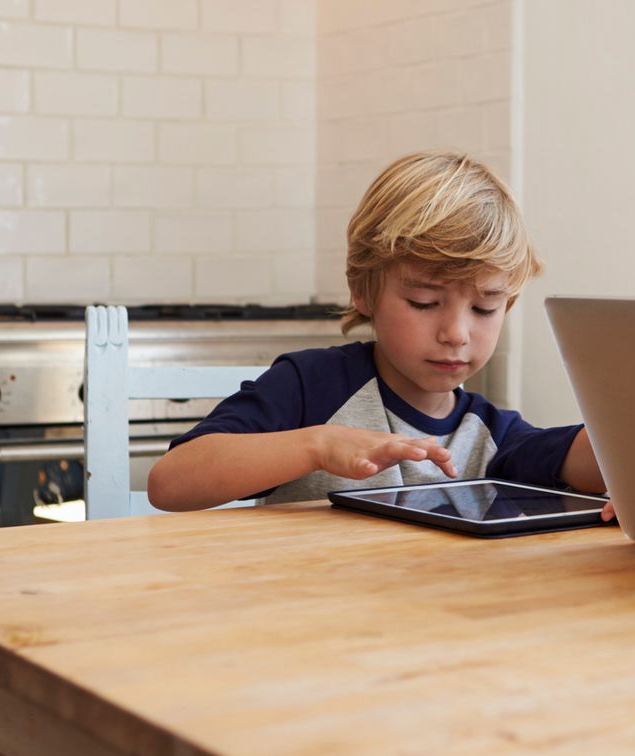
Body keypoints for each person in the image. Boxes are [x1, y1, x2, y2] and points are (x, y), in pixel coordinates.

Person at [147, 150, 607, 510]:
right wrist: (317, 445)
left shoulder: (494, 435)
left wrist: (634, 492)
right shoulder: (313, 386)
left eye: (485, 308)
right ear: (363, 292)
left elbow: (600, 458)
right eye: (424, 302)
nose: (456, 332)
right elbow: (170, 483)